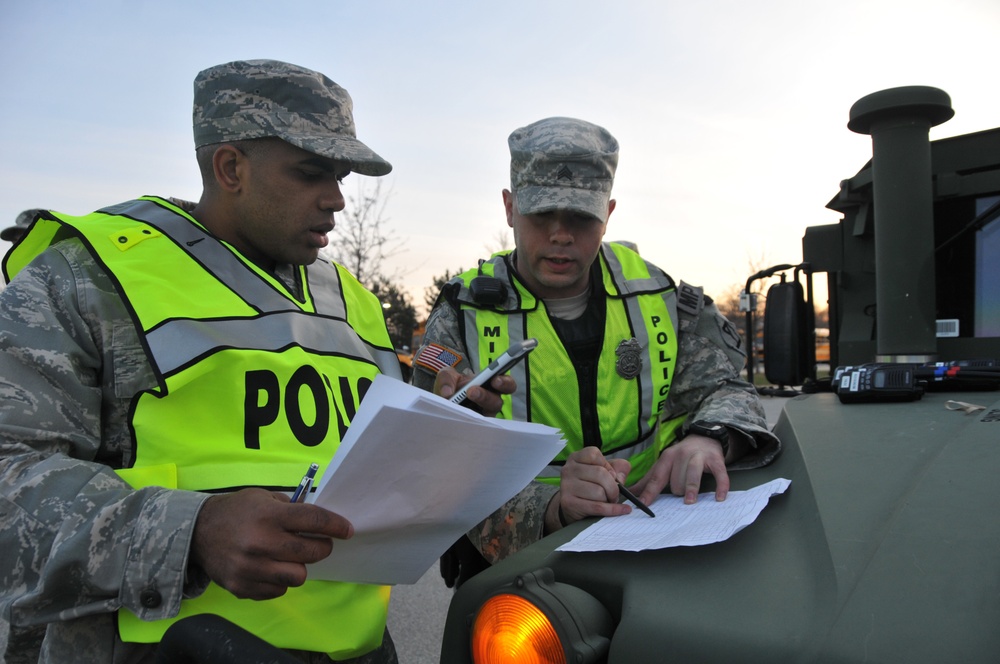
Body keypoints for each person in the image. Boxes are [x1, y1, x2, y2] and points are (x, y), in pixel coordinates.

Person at [0, 59, 509, 663]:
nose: (337, 199)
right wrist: (191, 531)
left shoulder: (353, 302)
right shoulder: (89, 279)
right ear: (230, 167)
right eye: (311, 172)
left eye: (341, 175)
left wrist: (441, 413)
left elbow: (354, 451)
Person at [412, 116, 781, 586]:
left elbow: (730, 388)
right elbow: (440, 469)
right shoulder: (459, 314)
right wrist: (551, 509)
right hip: (520, 572)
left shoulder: (663, 298)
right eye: (542, 214)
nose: (561, 235)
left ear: (608, 212)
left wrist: (710, 436)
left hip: (658, 543)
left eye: (582, 217)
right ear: (509, 208)